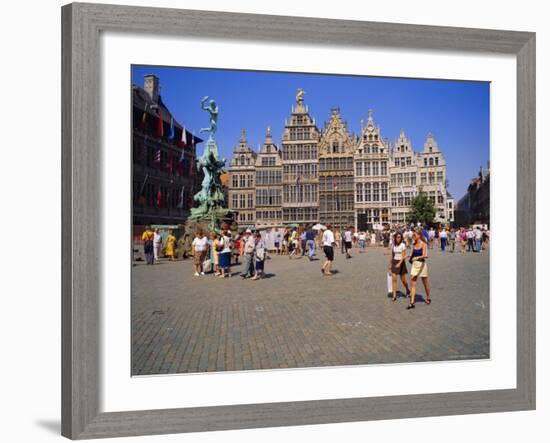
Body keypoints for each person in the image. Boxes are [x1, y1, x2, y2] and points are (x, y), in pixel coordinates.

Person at [407, 229, 431, 309]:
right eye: (413, 235)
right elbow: (412, 254)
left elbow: (425, 255)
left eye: (415, 235)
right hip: (415, 265)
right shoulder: (414, 244)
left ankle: (428, 297)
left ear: (419, 235)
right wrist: (408, 256)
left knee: (425, 283)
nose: (413, 236)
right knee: (412, 282)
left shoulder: (423, 244)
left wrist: (417, 257)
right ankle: (412, 302)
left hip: (422, 265)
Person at [389, 232, 410, 302]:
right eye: (397, 237)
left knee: (403, 280)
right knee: (394, 279)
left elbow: (403, 256)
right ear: (395, 238)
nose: (398, 238)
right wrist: (390, 263)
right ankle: (394, 295)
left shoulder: (403, 245)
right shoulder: (393, 245)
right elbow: (392, 255)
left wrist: (399, 264)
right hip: (395, 262)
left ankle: (407, 289)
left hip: (401, 262)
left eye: (400, 237)